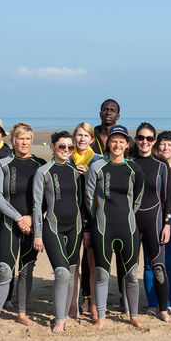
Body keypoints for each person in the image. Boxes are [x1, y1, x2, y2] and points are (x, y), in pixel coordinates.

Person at [0, 122, 46, 329]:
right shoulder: (3, 164)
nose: (24, 142)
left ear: (31, 140)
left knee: (26, 270)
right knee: (4, 269)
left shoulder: (40, 164)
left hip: (32, 224)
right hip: (10, 223)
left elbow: (46, 197)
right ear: (13, 141)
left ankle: (22, 313)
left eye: (27, 138)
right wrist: (19, 218)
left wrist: (31, 218)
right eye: (20, 138)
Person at [85, 125, 145, 329]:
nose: (117, 144)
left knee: (131, 274)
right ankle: (101, 316)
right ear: (108, 143)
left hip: (128, 228)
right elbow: (88, 198)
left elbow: (137, 200)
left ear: (127, 144)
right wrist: (98, 218)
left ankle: (133, 315)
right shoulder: (97, 167)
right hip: (103, 228)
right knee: (102, 273)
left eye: (121, 141)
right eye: (113, 140)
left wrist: (126, 216)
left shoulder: (134, 169)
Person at [33, 131, 86, 332]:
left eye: (70, 147)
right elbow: (37, 206)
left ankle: (67, 311)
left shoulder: (76, 171)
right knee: (62, 272)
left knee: (72, 272)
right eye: (62, 146)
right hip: (52, 227)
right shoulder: (43, 172)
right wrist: (38, 234)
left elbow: (83, 202)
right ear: (53, 146)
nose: (66, 150)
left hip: (76, 227)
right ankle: (59, 319)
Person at [133, 123, 171, 322]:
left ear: (154, 141)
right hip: (131, 223)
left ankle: (163, 309)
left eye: (149, 139)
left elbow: (169, 198)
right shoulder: (129, 162)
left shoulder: (161, 165)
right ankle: (130, 309)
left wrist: (167, 224)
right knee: (130, 268)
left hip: (155, 222)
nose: (145, 142)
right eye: (141, 138)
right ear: (135, 140)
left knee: (158, 267)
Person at [144, 131, 171, 315]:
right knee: (151, 263)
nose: (165, 147)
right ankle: (152, 303)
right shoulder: (151, 165)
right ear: (156, 146)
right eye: (162, 144)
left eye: (169, 144)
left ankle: (167, 302)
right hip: (152, 218)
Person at [69, 122, 102, 319]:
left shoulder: (97, 160)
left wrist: (87, 175)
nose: (82, 139)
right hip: (71, 217)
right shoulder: (66, 157)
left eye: (86, 136)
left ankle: (95, 305)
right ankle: (77, 302)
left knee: (93, 264)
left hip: (92, 215)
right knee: (74, 265)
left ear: (92, 139)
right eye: (79, 135)